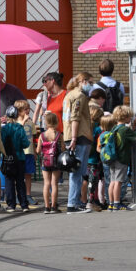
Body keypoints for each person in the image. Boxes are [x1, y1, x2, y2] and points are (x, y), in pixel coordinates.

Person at [61, 72, 95, 214]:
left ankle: (74, 203)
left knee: (76, 171)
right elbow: (75, 117)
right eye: (90, 82)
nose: (91, 85)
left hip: (72, 135)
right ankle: (73, 204)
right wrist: (74, 138)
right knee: (77, 172)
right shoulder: (79, 96)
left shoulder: (69, 95)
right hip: (79, 136)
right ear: (82, 81)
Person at [102, 105, 136, 211]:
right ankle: (117, 203)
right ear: (126, 117)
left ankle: (111, 204)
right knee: (118, 182)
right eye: (130, 117)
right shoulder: (125, 129)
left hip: (112, 158)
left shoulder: (114, 128)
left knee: (112, 181)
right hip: (121, 158)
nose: (131, 118)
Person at [0, 105, 31, 212]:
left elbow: (1, 143)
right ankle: (24, 205)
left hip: (8, 158)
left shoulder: (4, 129)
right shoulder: (19, 128)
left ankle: (11, 205)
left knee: (9, 181)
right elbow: (26, 143)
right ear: (17, 115)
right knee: (20, 181)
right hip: (20, 158)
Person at [37, 112, 62, 214]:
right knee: (54, 184)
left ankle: (46, 207)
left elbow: (38, 150)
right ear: (56, 122)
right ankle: (53, 206)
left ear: (46, 123)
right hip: (56, 161)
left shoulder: (42, 135)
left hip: (45, 161)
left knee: (46, 183)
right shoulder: (59, 135)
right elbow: (63, 148)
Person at [14, 99, 38, 205]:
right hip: (19, 153)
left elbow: (32, 138)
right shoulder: (15, 122)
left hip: (29, 152)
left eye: (28, 108)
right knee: (18, 175)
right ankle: (18, 195)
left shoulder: (30, 122)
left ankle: (28, 195)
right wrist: (23, 121)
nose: (28, 111)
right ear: (19, 111)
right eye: (25, 109)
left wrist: (35, 152)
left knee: (28, 175)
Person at [86, 104, 107, 210]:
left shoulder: (86, 127)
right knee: (93, 180)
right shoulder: (99, 129)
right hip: (95, 158)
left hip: (86, 157)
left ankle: (87, 200)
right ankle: (91, 201)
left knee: (88, 180)